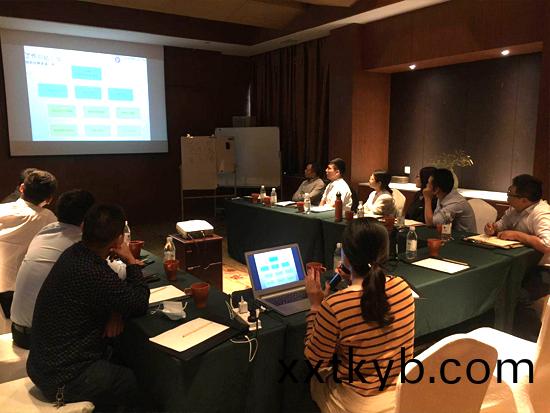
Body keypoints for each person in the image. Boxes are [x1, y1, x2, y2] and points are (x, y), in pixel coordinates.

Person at [27, 204, 150, 412]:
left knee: (121, 354)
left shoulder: (74, 253)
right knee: (130, 380)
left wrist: (115, 311)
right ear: (119, 239)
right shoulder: (92, 271)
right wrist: (131, 260)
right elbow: (138, 303)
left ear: (83, 227)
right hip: (62, 378)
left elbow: (109, 295)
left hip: (42, 365)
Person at [304, 219, 415, 413]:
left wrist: (315, 307)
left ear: (346, 258)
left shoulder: (335, 305)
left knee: (316, 378)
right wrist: (353, 281)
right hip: (400, 394)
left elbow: (315, 360)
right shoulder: (403, 288)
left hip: (359, 402)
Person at [10, 189, 95, 349]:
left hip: (18, 331)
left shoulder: (45, 231)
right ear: (89, 218)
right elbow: (114, 274)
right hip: (44, 339)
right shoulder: (80, 243)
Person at [484, 174, 550, 325]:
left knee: (516, 294)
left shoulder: (542, 213)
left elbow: (548, 245)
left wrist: (518, 235)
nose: (507, 197)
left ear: (524, 200)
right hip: (525, 265)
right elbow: (500, 226)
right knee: (494, 285)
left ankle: (532, 335)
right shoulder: (514, 209)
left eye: (510, 194)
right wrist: (492, 228)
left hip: (545, 269)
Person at [0, 169, 57, 319]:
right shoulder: (48, 218)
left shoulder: (2, 210)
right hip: (25, 288)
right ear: (50, 199)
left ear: (21, 188)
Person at [423, 168, 476, 233]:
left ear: (436, 189)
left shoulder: (455, 203)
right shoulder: (443, 195)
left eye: (428, 183)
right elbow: (436, 222)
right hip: (450, 235)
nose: (426, 185)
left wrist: (427, 199)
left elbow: (431, 223)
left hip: (465, 237)